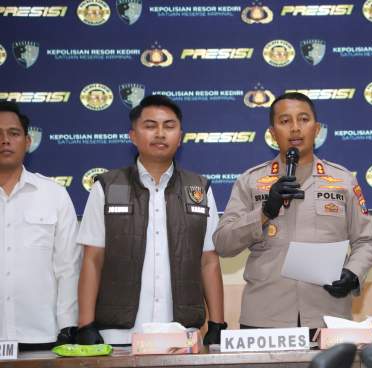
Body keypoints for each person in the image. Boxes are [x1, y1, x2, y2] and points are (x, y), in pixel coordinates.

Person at [213, 92, 372, 329]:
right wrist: (264, 211)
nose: (295, 128)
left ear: (317, 129)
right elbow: (223, 243)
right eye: (285, 121)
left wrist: (353, 273)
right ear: (272, 133)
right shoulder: (250, 181)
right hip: (265, 317)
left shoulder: (343, 180)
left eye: (303, 119)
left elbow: (367, 241)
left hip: (328, 316)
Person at [76, 95, 226, 345]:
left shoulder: (198, 188)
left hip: (182, 335)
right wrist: (85, 324)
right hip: (117, 336)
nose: (160, 133)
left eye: (169, 126)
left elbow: (208, 261)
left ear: (180, 137)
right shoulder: (107, 186)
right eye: (150, 126)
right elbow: (92, 259)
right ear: (133, 136)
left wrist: (217, 323)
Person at [0, 102, 81, 349]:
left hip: (41, 336)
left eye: (13, 133)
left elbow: (68, 267)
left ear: (27, 141)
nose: (5, 140)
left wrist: (68, 326)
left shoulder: (53, 194)